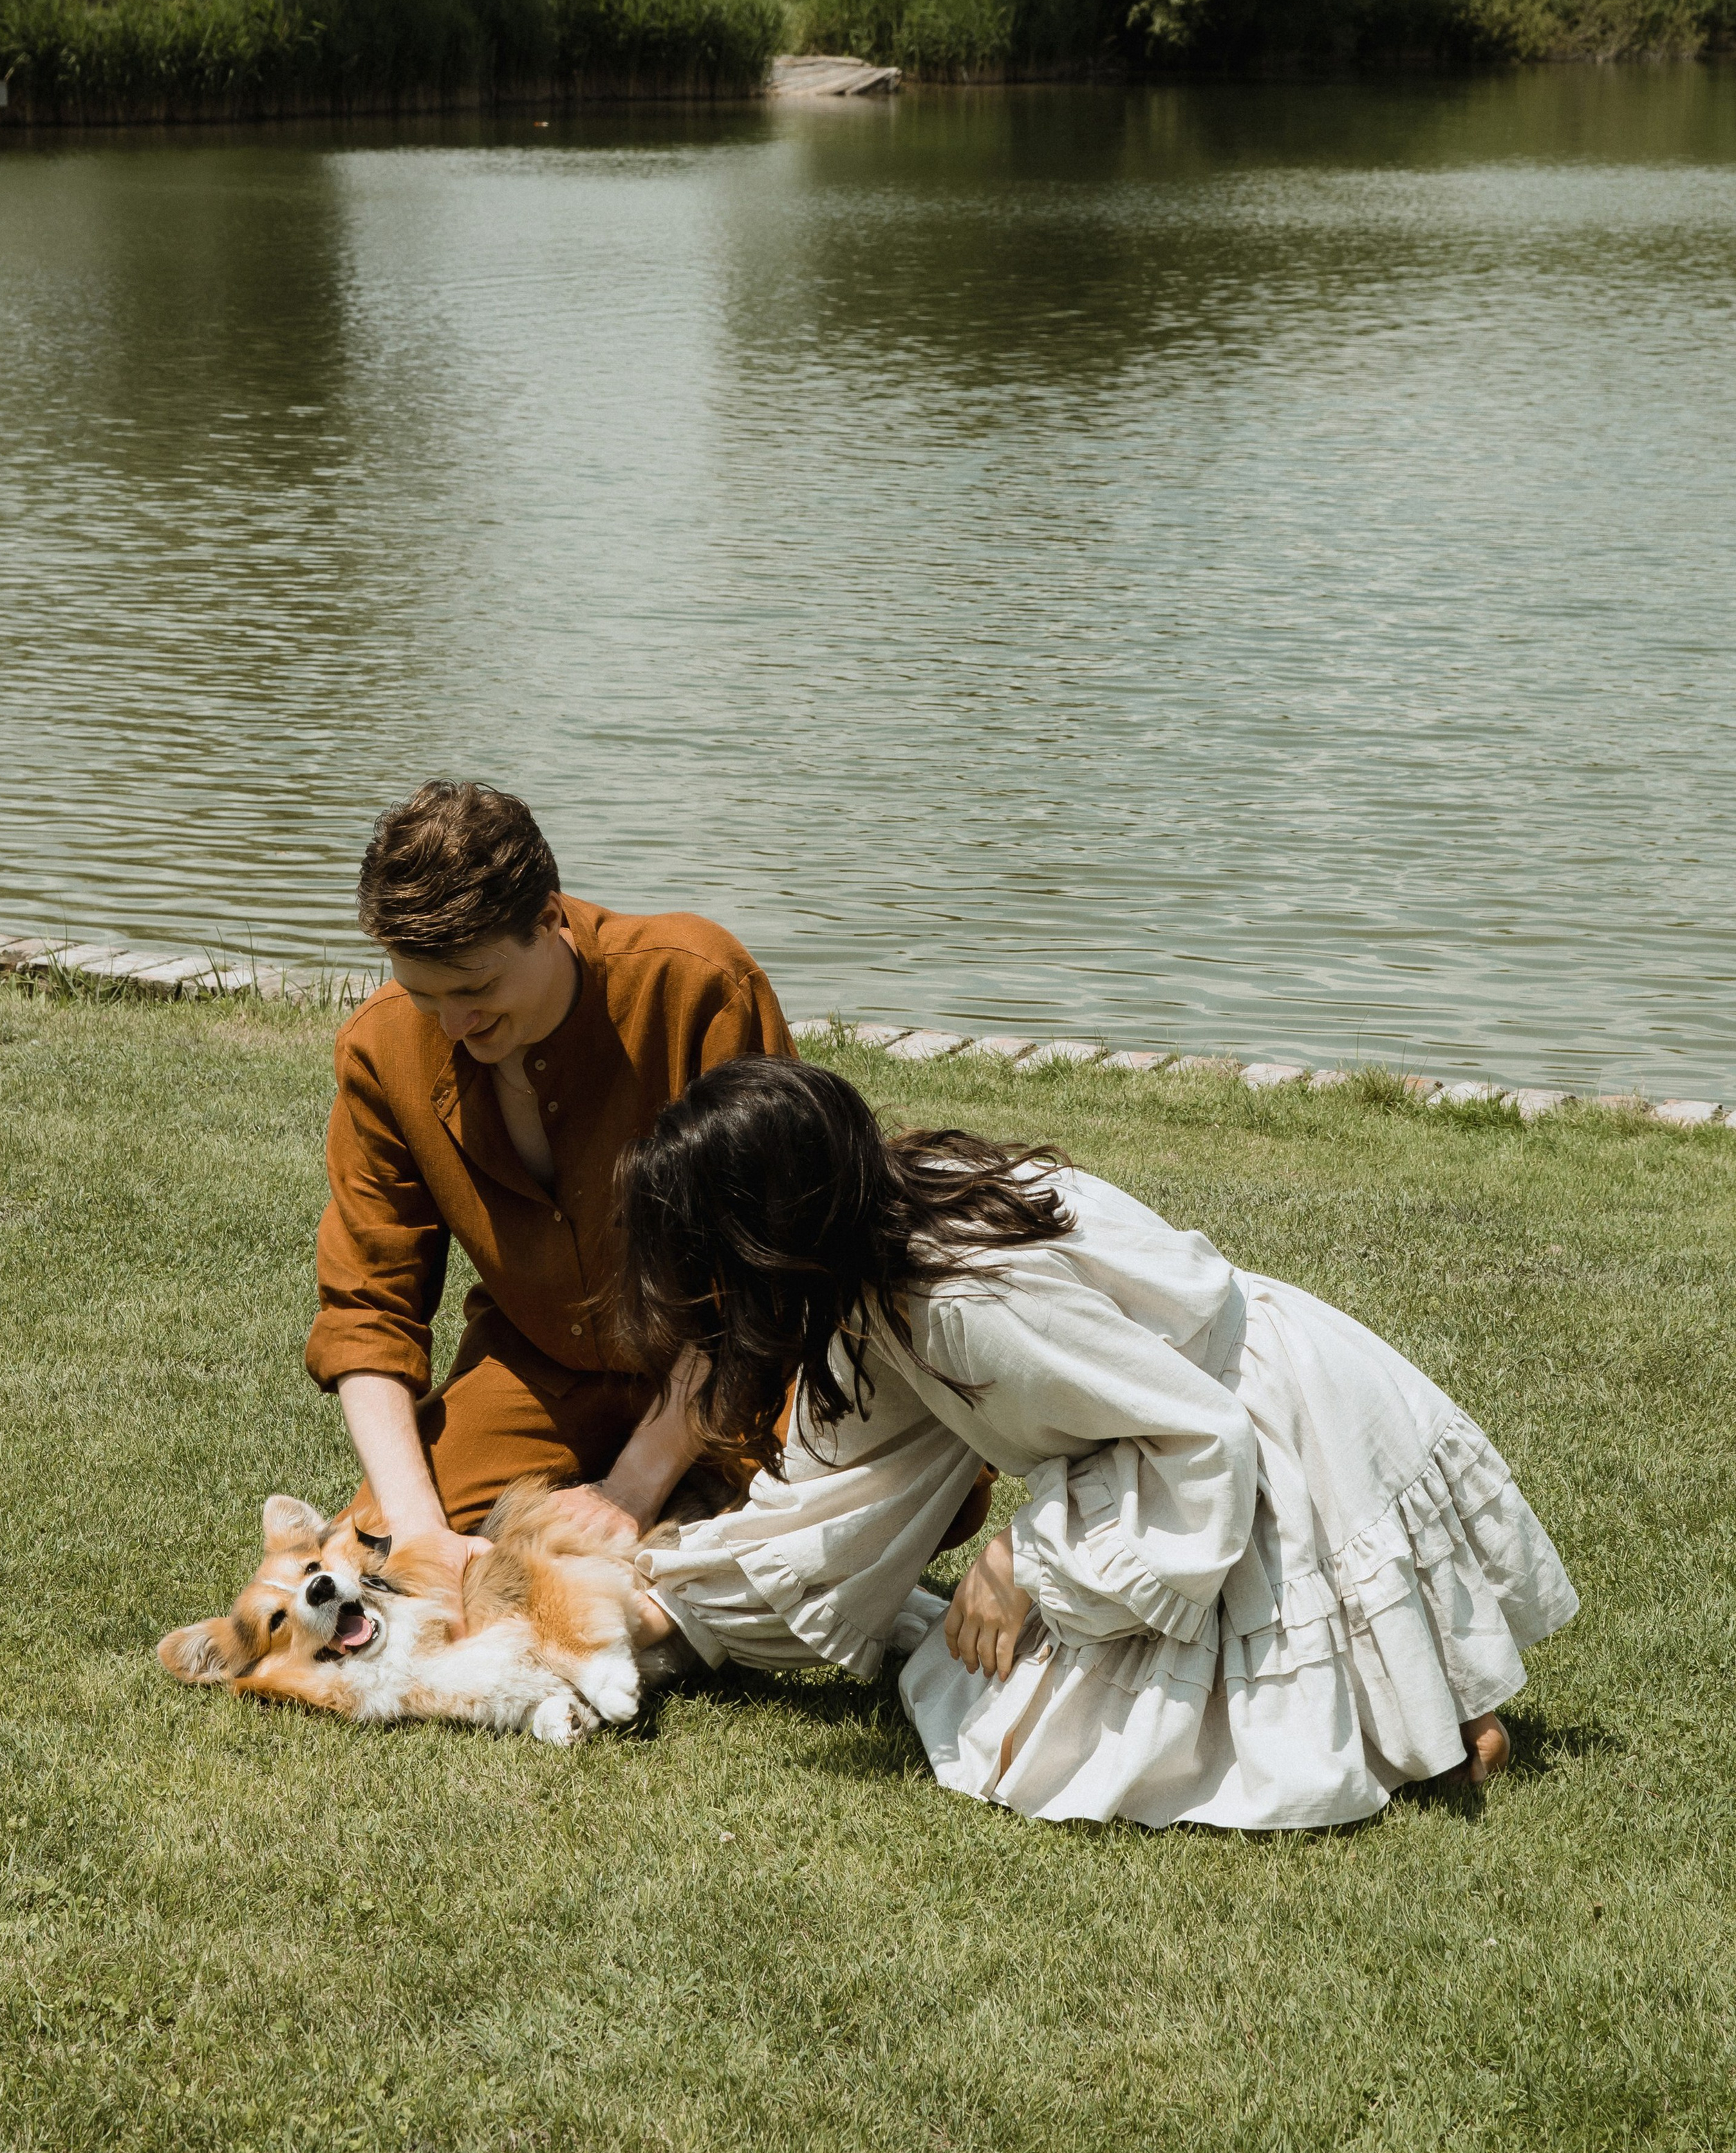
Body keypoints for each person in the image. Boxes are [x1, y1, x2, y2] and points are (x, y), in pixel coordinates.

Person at [620, 1056, 1580, 1833]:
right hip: (1181, 1425)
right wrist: (665, 1603)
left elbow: (1202, 1433)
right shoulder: (885, 1268)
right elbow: (844, 1491)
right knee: (975, 1687)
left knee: (1027, 1744)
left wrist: (1021, 1558)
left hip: (1257, 1427)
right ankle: (1422, 1708)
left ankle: (1415, 1721)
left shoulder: (961, 1304)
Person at [307, 780, 806, 1588]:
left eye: (473, 988)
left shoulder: (699, 988)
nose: (452, 1026)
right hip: (541, 1369)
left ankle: (694, 1505)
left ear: (548, 918)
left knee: (860, 1493)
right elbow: (368, 1305)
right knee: (374, 1562)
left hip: (734, 1357)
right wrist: (415, 1526)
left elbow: (768, 1276)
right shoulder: (380, 1049)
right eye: (421, 992)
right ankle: (695, 1526)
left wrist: (631, 1487)